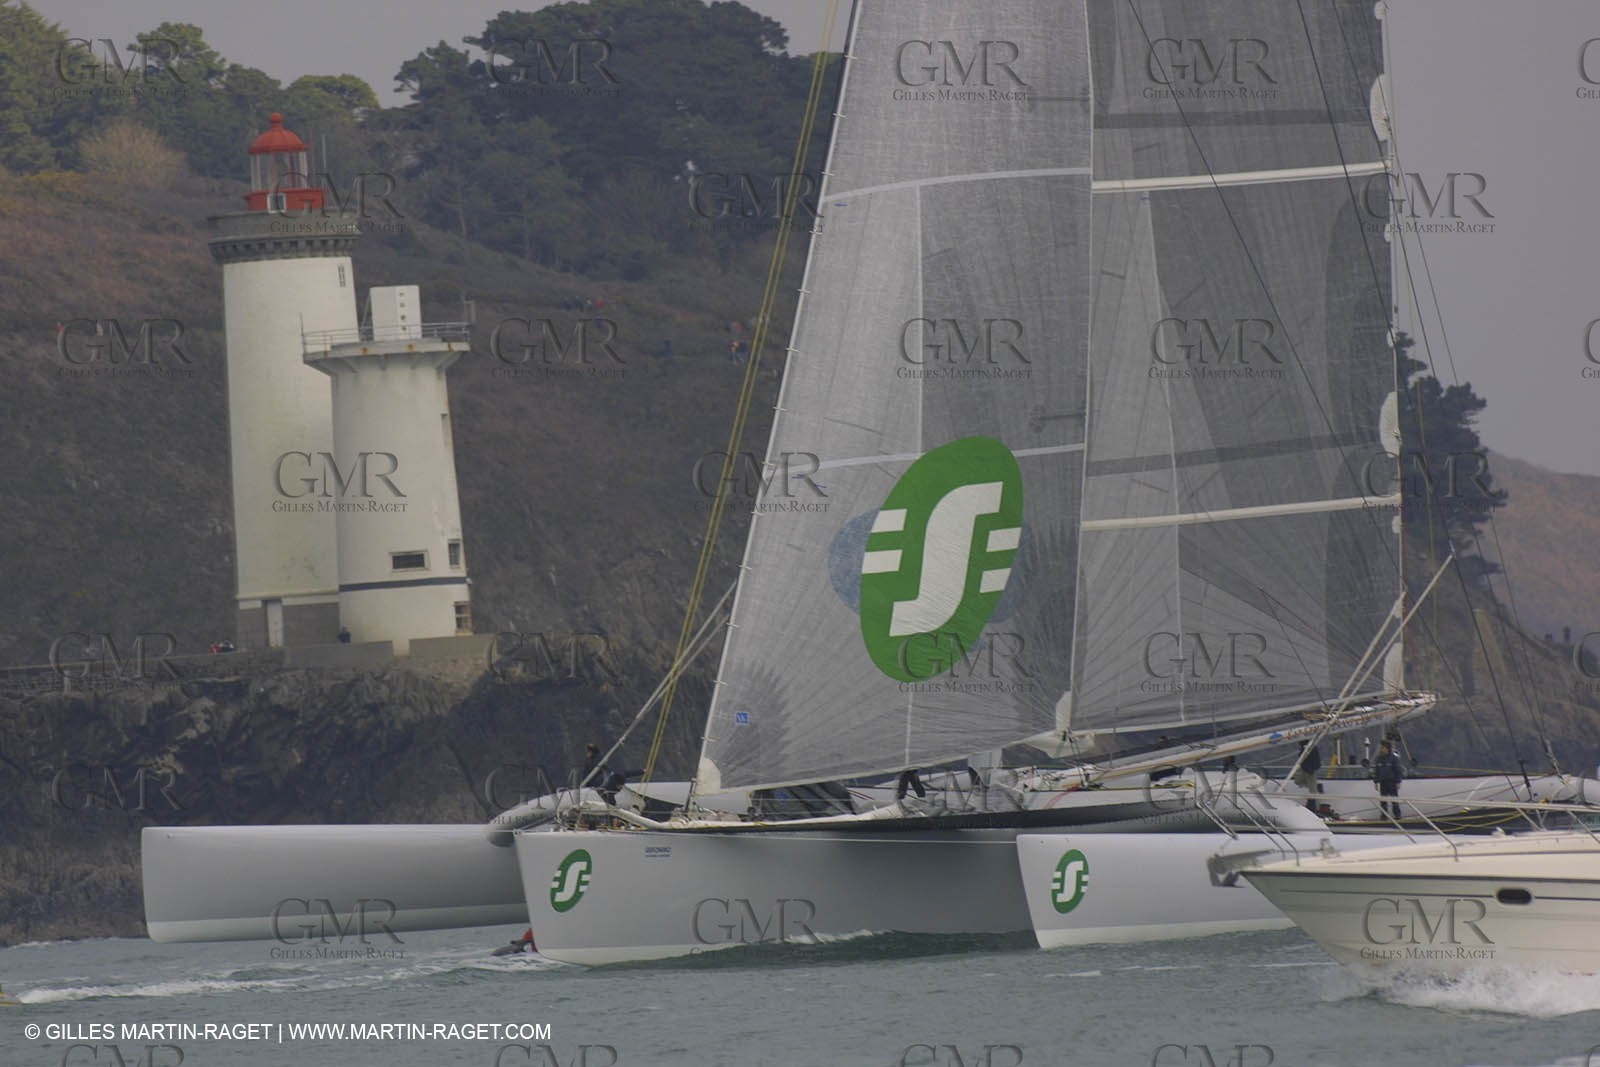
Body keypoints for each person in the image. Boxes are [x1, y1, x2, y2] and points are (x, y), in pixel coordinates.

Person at [1372, 739, 1405, 819]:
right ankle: (1384, 815)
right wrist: (1376, 782)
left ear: (1386, 748)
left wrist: (1398, 781)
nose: (1381, 749)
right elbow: (1377, 771)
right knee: (1383, 800)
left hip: (1392, 781)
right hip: (1383, 781)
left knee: (1394, 799)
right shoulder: (1379, 758)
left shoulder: (1394, 758)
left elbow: (1398, 770)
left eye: (1382, 747)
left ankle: (1397, 815)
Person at [1292, 741, 1322, 810]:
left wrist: (1311, 769)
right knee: (1298, 781)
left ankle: (1317, 807)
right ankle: (1315, 786)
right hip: (1305, 767)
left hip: (1310, 769)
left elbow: (1314, 759)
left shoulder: (1311, 747)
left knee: (1313, 790)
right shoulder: (1306, 746)